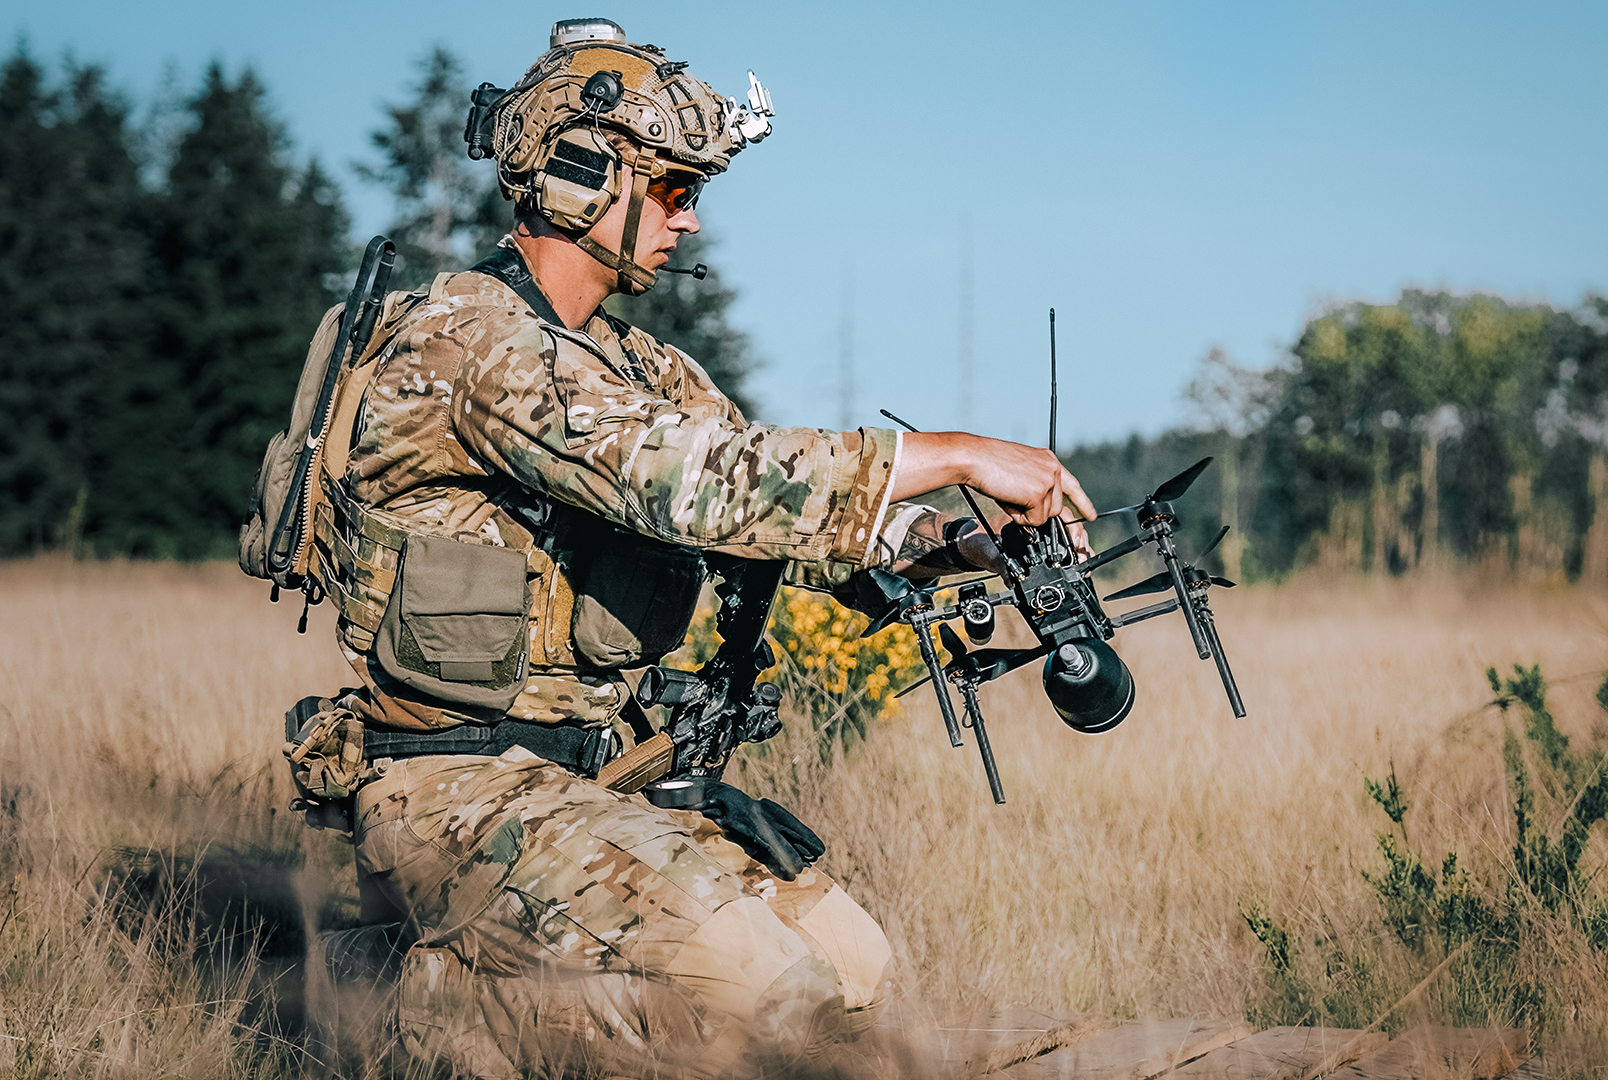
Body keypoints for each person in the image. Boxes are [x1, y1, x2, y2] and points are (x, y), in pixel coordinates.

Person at [285, 17, 1096, 1078]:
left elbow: (765, 503)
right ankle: (401, 1004)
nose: (694, 222)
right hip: (455, 790)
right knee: (770, 998)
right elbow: (682, 480)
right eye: (672, 190)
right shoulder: (468, 343)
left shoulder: (630, 361)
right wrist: (952, 451)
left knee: (857, 970)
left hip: (594, 775)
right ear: (580, 178)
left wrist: (959, 544)